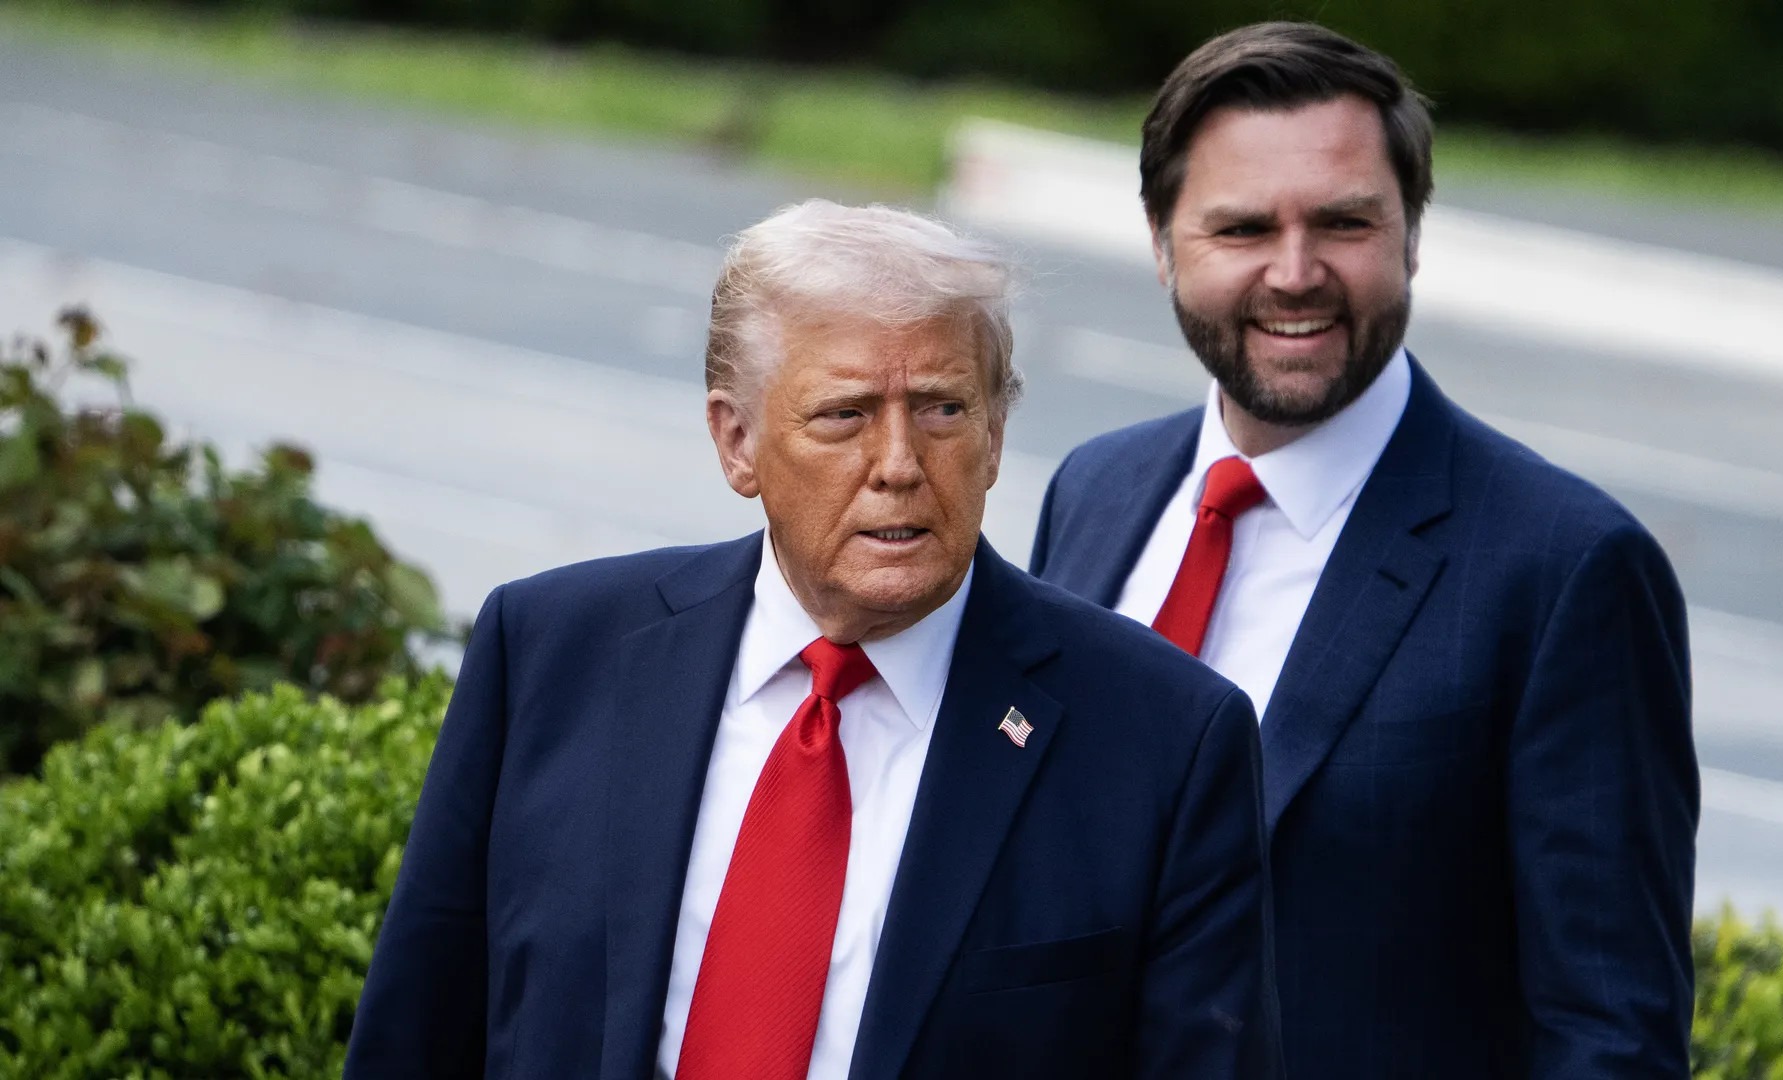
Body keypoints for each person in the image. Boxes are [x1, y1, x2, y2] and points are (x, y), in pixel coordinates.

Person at [345, 200, 1279, 1079]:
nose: (900, 465)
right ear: (736, 441)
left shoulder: (1163, 741)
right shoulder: (551, 652)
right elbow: (418, 1035)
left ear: (996, 435)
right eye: (845, 415)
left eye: (944, 409)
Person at [1029, 22, 1698, 1078]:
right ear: (1162, 244)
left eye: (1344, 223)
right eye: (1243, 228)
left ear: (1411, 235)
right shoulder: (1095, 490)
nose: (1295, 274)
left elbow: (1610, 1032)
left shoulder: (1566, 568)